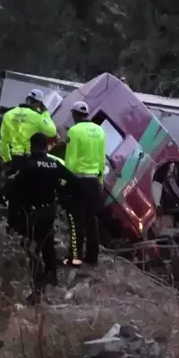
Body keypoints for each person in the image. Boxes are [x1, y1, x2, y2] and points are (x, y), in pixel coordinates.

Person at [11, 133, 77, 302]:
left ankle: (38, 287)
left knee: (30, 247)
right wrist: (60, 192)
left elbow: (15, 192)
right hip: (49, 210)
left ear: (32, 146)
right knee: (48, 243)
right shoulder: (53, 164)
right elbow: (72, 179)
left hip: (32, 213)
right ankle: (52, 277)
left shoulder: (29, 165)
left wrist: (12, 219)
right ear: (46, 146)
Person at [0, 89, 57, 234]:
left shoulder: (8, 114)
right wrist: (45, 113)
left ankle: (12, 227)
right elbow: (52, 131)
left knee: (14, 196)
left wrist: (6, 161)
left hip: (12, 159)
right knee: (28, 195)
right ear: (37, 104)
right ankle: (26, 229)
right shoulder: (37, 116)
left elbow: (3, 140)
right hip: (27, 160)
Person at [64, 101, 106, 266]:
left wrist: (65, 181)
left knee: (76, 221)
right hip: (94, 181)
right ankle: (92, 256)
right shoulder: (100, 130)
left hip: (78, 181)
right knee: (91, 220)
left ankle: (75, 257)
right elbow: (101, 160)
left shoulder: (74, 131)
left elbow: (71, 160)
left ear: (75, 114)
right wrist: (100, 181)